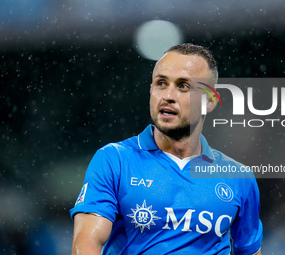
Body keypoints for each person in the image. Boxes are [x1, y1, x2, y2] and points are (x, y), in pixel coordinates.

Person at [70, 43, 263, 255]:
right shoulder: (114, 160)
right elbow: (86, 243)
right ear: (151, 90)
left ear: (209, 101)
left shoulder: (238, 177)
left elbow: (250, 251)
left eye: (183, 86)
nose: (168, 95)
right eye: (161, 83)